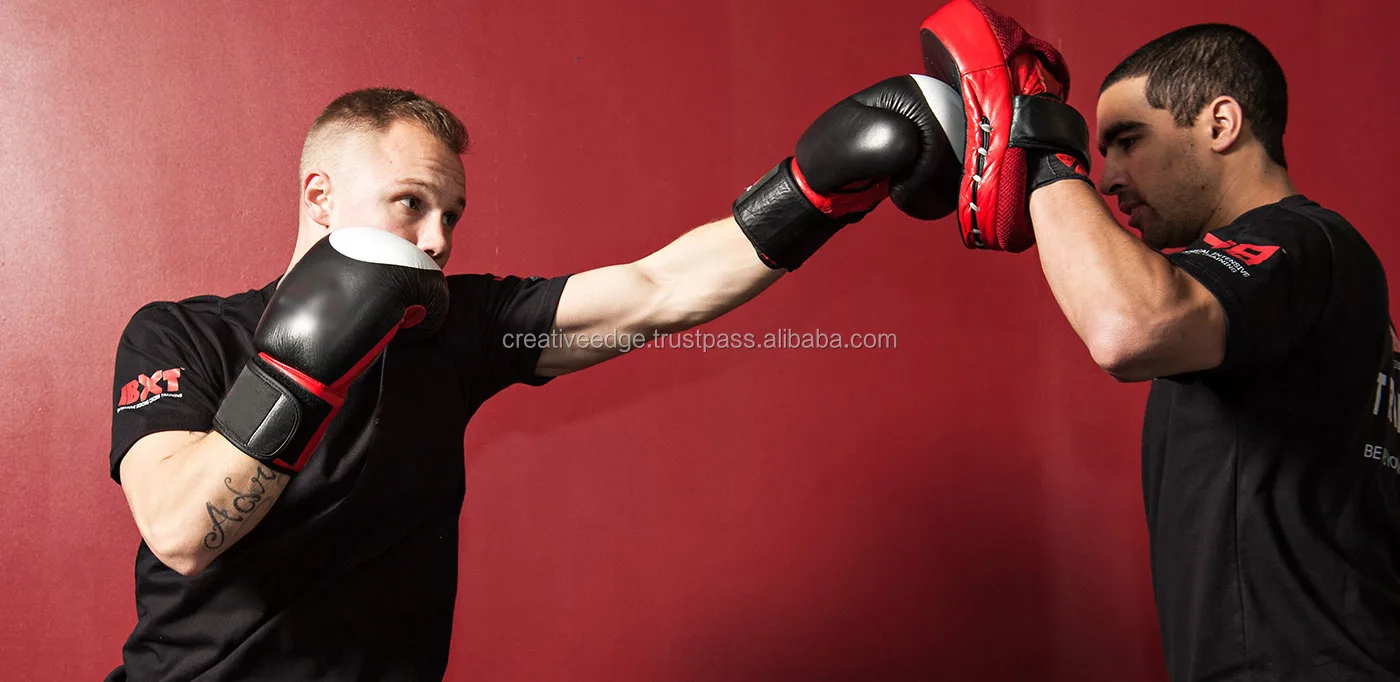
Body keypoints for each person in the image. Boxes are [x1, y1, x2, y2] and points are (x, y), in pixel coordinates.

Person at [105, 77, 964, 680]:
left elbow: (659, 289)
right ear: (320, 196)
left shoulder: (456, 329)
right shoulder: (181, 331)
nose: (439, 240)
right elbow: (181, 530)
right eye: (412, 204)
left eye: (452, 215)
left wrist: (811, 193)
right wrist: (302, 364)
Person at [1023, 23, 1400, 680]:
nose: (1108, 177)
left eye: (1128, 141)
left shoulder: (1299, 240)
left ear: (1221, 123)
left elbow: (1126, 327)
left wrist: (1043, 159)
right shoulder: (1291, 285)